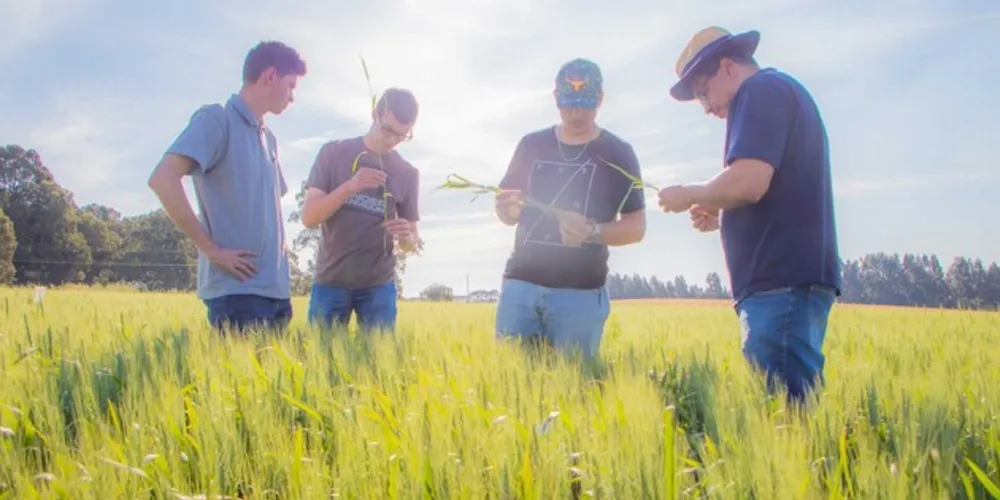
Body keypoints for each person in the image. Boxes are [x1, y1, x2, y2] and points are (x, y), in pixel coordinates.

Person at [658, 26, 842, 405]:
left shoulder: (760, 92)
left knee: (785, 417)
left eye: (702, 93)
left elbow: (750, 181)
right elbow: (773, 191)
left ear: (727, 67)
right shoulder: (776, 93)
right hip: (786, 281)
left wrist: (690, 194)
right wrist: (722, 215)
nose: (706, 108)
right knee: (788, 411)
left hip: (779, 284)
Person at [147, 40, 307, 335]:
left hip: (276, 292)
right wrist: (209, 248)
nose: (292, 97)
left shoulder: (269, 139)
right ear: (270, 76)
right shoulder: (216, 119)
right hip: (238, 292)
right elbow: (162, 179)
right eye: (291, 85)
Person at [493, 58, 647, 360]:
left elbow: (636, 227)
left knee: (574, 390)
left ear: (600, 99)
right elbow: (508, 213)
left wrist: (592, 232)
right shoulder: (531, 144)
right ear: (555, 99)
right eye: (568, 106)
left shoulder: (619, 153)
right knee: (511, 388)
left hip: (579, 294)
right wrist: (506, 210)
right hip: (519, 286)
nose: (576, 115)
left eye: (585, 106)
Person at [299, 88, 421, 333]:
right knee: (322, 364)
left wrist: (406, 236)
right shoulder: (333, 153)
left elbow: (412, 240)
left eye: (402, 135)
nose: (392, 140)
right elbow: (309, 217)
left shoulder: (408, 173)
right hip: (330, 281)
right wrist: (351, 186)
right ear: (375, 113)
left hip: (379, 286)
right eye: (388, 130)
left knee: (378, 365)